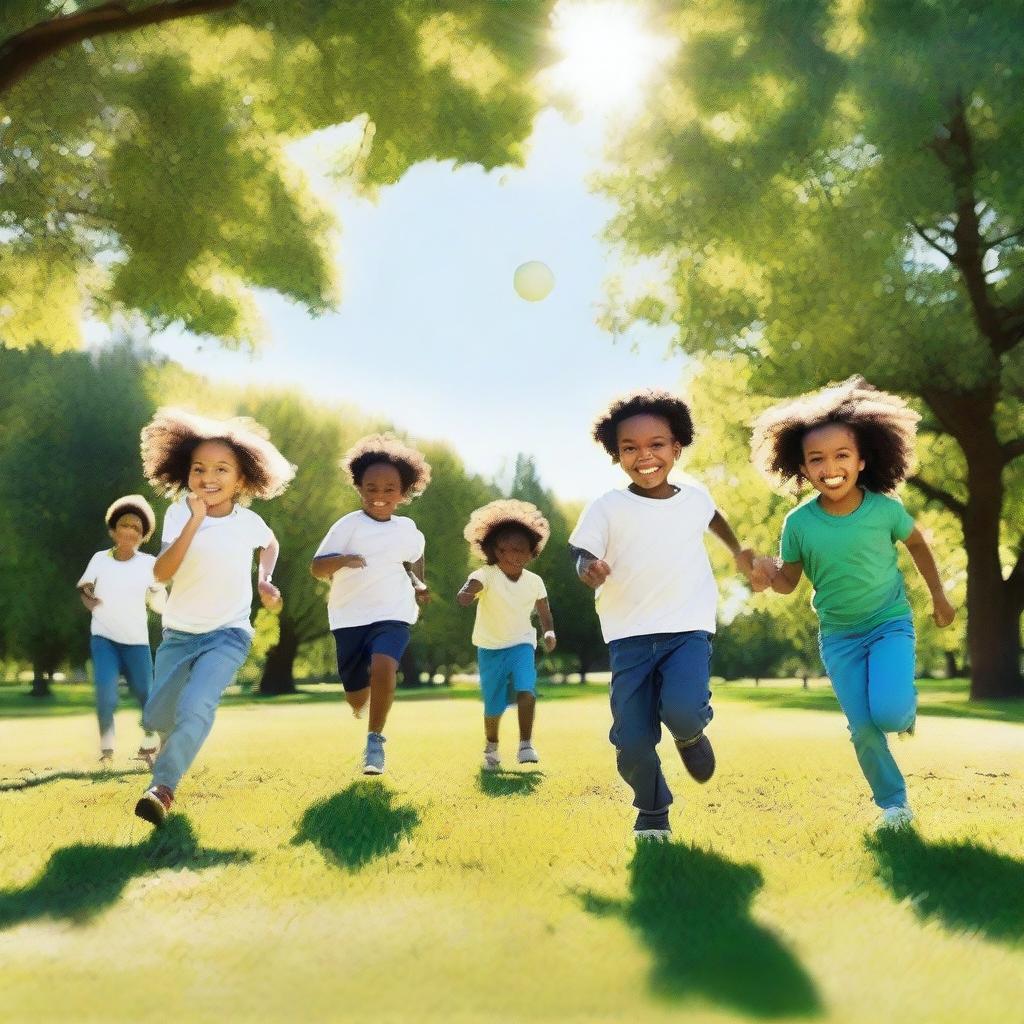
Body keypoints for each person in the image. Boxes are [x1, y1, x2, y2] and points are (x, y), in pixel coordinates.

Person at [749, 376, 956, 831]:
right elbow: (788, 582)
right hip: (840, 637)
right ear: (802, 470)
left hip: (888, 624)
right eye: (816, 459)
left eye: (842, 455)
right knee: (863, 728)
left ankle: (902, 707)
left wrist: (939, 594)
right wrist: (767, 576)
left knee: (890, 713)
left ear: (862, 460)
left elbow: (918, 544)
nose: (830, 467)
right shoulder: (798, 523)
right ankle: (894, 806)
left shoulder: (883, 509)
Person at [569, 389, 756, 841]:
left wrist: (737, 551)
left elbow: (714, 516)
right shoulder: (608, 507)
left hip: (687, 628)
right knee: (631, 741)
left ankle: (691, 736)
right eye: (630, 448)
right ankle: (652, 809)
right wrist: (587, 569)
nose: (644, 456)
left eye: (656, 445)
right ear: (616, 455)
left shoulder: (694, 497)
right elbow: (581, 551)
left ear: (677, 447)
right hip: (628, 636)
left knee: (683, 710)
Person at [133, 408, 294, 826]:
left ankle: (162, 788)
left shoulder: (249, 522)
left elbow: (270, 543)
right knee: (159, 717)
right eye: (199, 468)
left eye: (222, 469)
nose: (209, 477)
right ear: (186, 473)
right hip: (179, 633)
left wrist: (265, 579)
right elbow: (161, 573)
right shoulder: (177, 514)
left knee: (198, 704)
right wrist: (194, 522)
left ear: (242, 479)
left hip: (228, 633)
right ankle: (164, 756)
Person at [311, 434, 431, 776]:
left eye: (389, 488)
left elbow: (415, 557)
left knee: (383, 666)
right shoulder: (348, 526)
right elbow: (317, 568)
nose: (380, 496)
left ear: (404, 491)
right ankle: (360, 706)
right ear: (359, 488)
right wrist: (343, 559)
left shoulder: (408, 529)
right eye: (371, 488)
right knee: (355, 696)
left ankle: (375, 741)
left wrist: (418, 584)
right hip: (348, 617)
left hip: (393, 613)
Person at [457, 499, 556, 771]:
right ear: (494, 551)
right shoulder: (486, 574)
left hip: (522, 642)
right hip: (490, 647)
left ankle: (526, 745)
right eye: (505, 549)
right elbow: (471, 585)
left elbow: (544, 611)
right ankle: (491, 746)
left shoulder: (534, 582)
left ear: (530, 553)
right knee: (494, 703)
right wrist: (466, 593)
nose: (512, 555)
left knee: (527, 689)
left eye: (519, 550)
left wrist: (548, 631)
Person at [76, 494, 165, 766]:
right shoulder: (99, 559)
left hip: (136, 642)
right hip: (104, 639)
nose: (130, 531)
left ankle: (150, 747)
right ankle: (107, 752)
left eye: (136, 528)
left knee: (146, 696)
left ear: (143, 535)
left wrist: (163, 600)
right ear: (113, 530)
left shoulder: (148, 564)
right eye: (125, 525)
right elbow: (84, 588)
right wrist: (88, 598)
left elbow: (160, 600)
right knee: (105, 694)